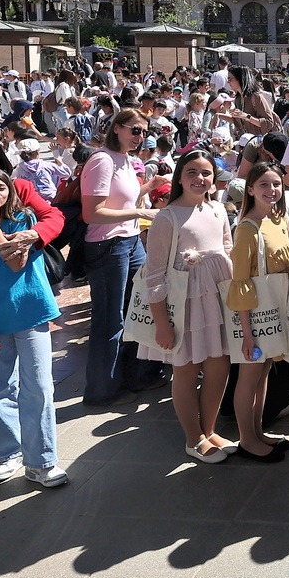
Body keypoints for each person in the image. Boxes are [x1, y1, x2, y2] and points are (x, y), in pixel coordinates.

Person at [0, 168, 68, 489]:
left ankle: (41, 461)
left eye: (0, 187)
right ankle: (9, 453)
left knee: (38, 386)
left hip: (31, 312)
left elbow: (16, 263)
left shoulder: (23, 222)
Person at [139, 150, 242, 464]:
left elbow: (228, 251)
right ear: (180, 177)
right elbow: (154, 274)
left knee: (219, 367)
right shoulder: (167, 217)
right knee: (185, 370)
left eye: (207, 172)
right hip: (183, 304)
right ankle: (193, 437)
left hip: (217, 301)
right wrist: (162, 324)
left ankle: (209, 429)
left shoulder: (218, 210)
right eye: (193, 172)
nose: (201, 179)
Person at [227, 160, 289, 461]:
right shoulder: (247, 229)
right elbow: (241, 281)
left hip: (274, 312)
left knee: (262, 373)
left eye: (276, 183)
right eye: (264, 184)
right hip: (256, 317)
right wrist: (247, 332)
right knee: (249, 375)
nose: (272, 189)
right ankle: (247, 439)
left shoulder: (277, 220)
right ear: (250, 189)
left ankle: (257, 431)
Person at [79, 111, 163, 406]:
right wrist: (141, 212)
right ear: (116, 129)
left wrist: (147, 189)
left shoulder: (125, 160)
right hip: (108, 246)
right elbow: (92, 213)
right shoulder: (102, 160)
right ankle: (102, 390)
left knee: (134, 312)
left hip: (128, 242)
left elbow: (121, 199)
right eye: (135, 130)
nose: (140, 136)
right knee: (109, 319)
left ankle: (130, 377)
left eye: (143, 131)